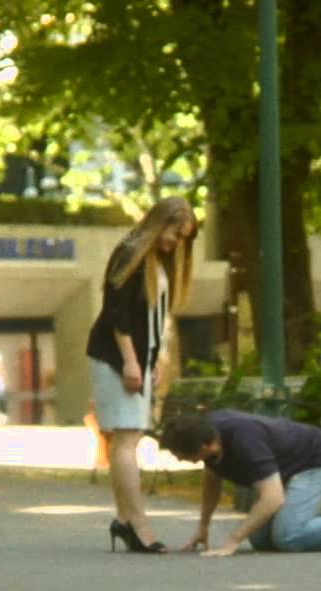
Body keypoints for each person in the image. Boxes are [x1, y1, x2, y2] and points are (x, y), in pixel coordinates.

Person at [86, 196, 197, 553]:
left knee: (126, 440)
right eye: (174, 233)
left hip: (134, 357)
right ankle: (138, 524)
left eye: (182, 238)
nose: (175, 242)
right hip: (114, 356)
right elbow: (116, 312)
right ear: (160, 222)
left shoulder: (153, 260)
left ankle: (126, 521)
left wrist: (155, 358)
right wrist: (132, 362)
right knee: (127, 439)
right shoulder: (130, 252)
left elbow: (151, 317)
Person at [159, 410, 321, 557]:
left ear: (203, 446)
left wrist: (232, 541)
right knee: (261, 539)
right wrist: (203, 527)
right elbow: (212, 481)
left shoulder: (244, 440)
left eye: (181, 454)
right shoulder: (208, 436)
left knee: (288, 537)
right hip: (283, 470)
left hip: (313, 463)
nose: (181, 459)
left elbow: (272, 497)